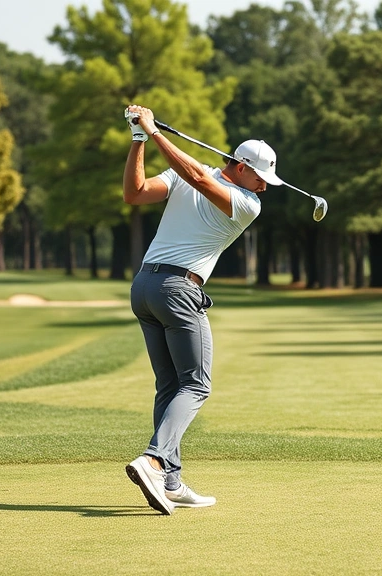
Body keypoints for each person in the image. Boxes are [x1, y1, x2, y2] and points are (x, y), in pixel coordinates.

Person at [121, 104, 281, 515]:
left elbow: (195, 176)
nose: (264, 187)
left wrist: (150, 132)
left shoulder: (245, 203)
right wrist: (142, 139)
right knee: (196, 384)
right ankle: (155, 461)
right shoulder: (209, 182)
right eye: (261, 177)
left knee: (170, 385)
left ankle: (169, 480)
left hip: (145, 286)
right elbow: (134, 194)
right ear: (242, 167)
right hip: (176, 289)